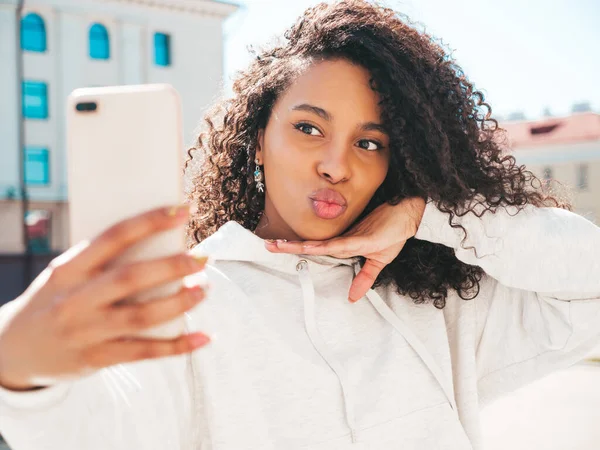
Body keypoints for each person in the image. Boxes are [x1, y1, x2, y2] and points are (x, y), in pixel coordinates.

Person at [1, 1, 599, 449]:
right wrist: (18, 375)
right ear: (258, 140)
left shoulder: (437, 304)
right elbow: (107, 427)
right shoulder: (190, 298)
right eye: (308, 128)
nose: (336, 165)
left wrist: (428, 215)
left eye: (370, 142)